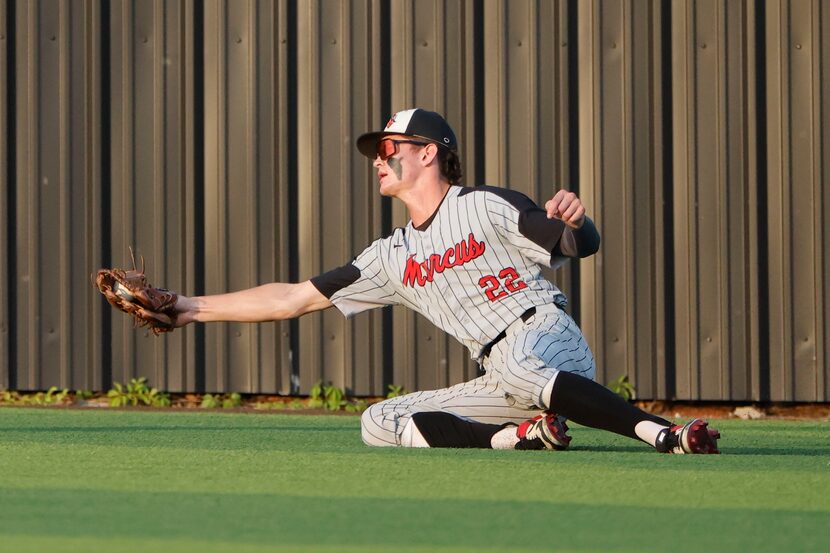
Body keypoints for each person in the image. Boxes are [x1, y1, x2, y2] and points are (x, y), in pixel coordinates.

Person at [173, 108, 720, 454]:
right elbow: (291, 298)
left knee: (516, 362)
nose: (378, 161)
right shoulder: (390, 256)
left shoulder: (484, 206)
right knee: (379, 421)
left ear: (429, 153)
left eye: (389, 150)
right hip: (505, 381)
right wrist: (185, 306)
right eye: (376, 154)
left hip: (547, 341)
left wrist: (581, 220)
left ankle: (661, 433)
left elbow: (577, 244)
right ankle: (517, 438)